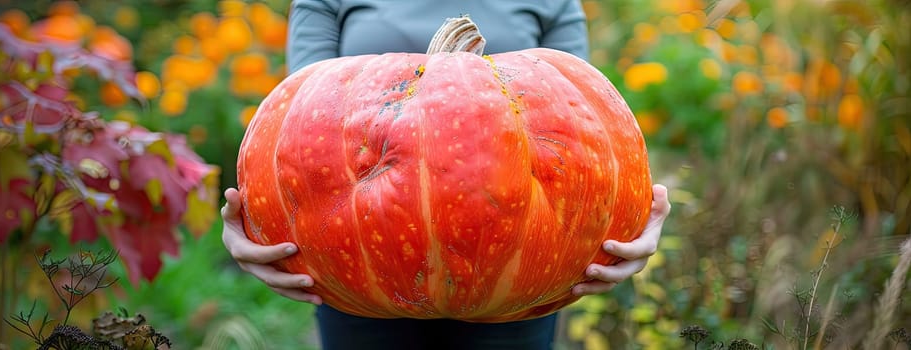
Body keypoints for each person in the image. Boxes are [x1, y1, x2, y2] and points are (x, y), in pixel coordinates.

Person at [220, 1, 672, 349]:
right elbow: (297, 127)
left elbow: (581, 137)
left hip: (517, 272)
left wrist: (629, 223)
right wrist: (256, 226)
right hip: (358, 267)